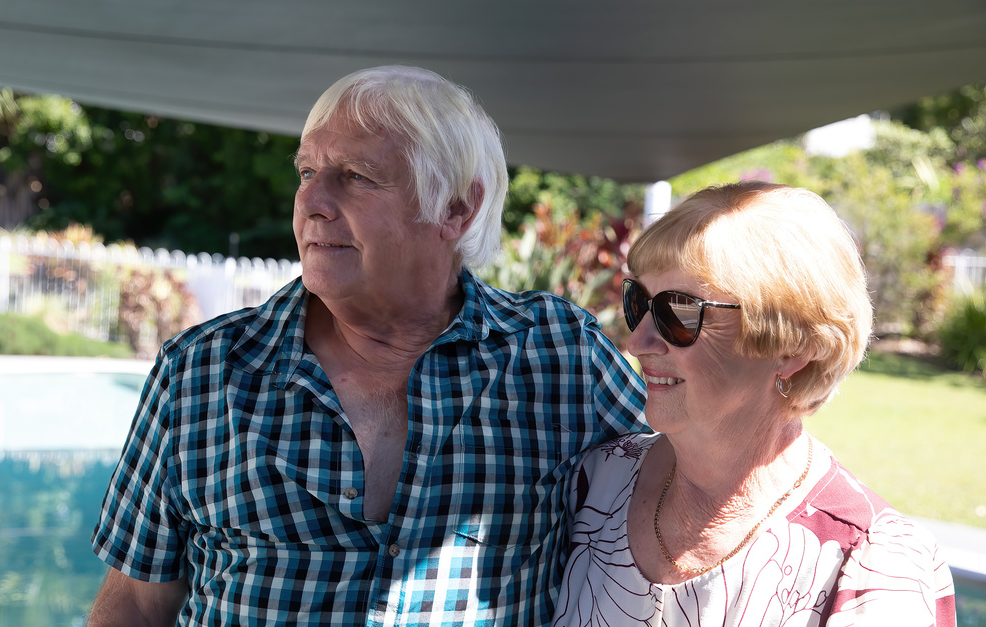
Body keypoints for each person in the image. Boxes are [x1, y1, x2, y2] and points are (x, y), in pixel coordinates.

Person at [89, 65, 648, 626]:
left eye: (356, 176)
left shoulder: (558, 356)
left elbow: (685, 484)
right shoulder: (201, 372)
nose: (312, 200)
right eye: (307, 172)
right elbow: (134, 604)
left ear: (456, 208)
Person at [553, 181, 957, 626]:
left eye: (680, 312)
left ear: (793, 347)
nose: (638, 341)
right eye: (640, 302)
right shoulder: (596, 482)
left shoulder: (872, 566)